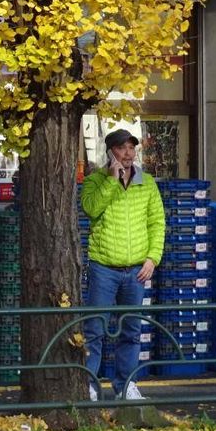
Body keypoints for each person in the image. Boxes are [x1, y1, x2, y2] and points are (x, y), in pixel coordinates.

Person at [80, 128, 165, 402]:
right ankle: (90, 385)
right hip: (104, 266)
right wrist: (110, 182)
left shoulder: (147, 183)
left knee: (131, 330)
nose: (128, 153)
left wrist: (153, 258)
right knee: (94, 329)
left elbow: (157, 223)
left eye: (131, 148)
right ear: (110, 152)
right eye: (122, 148)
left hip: (137, 270)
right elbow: (90, 209)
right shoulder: (95, 181)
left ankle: (125, 384)